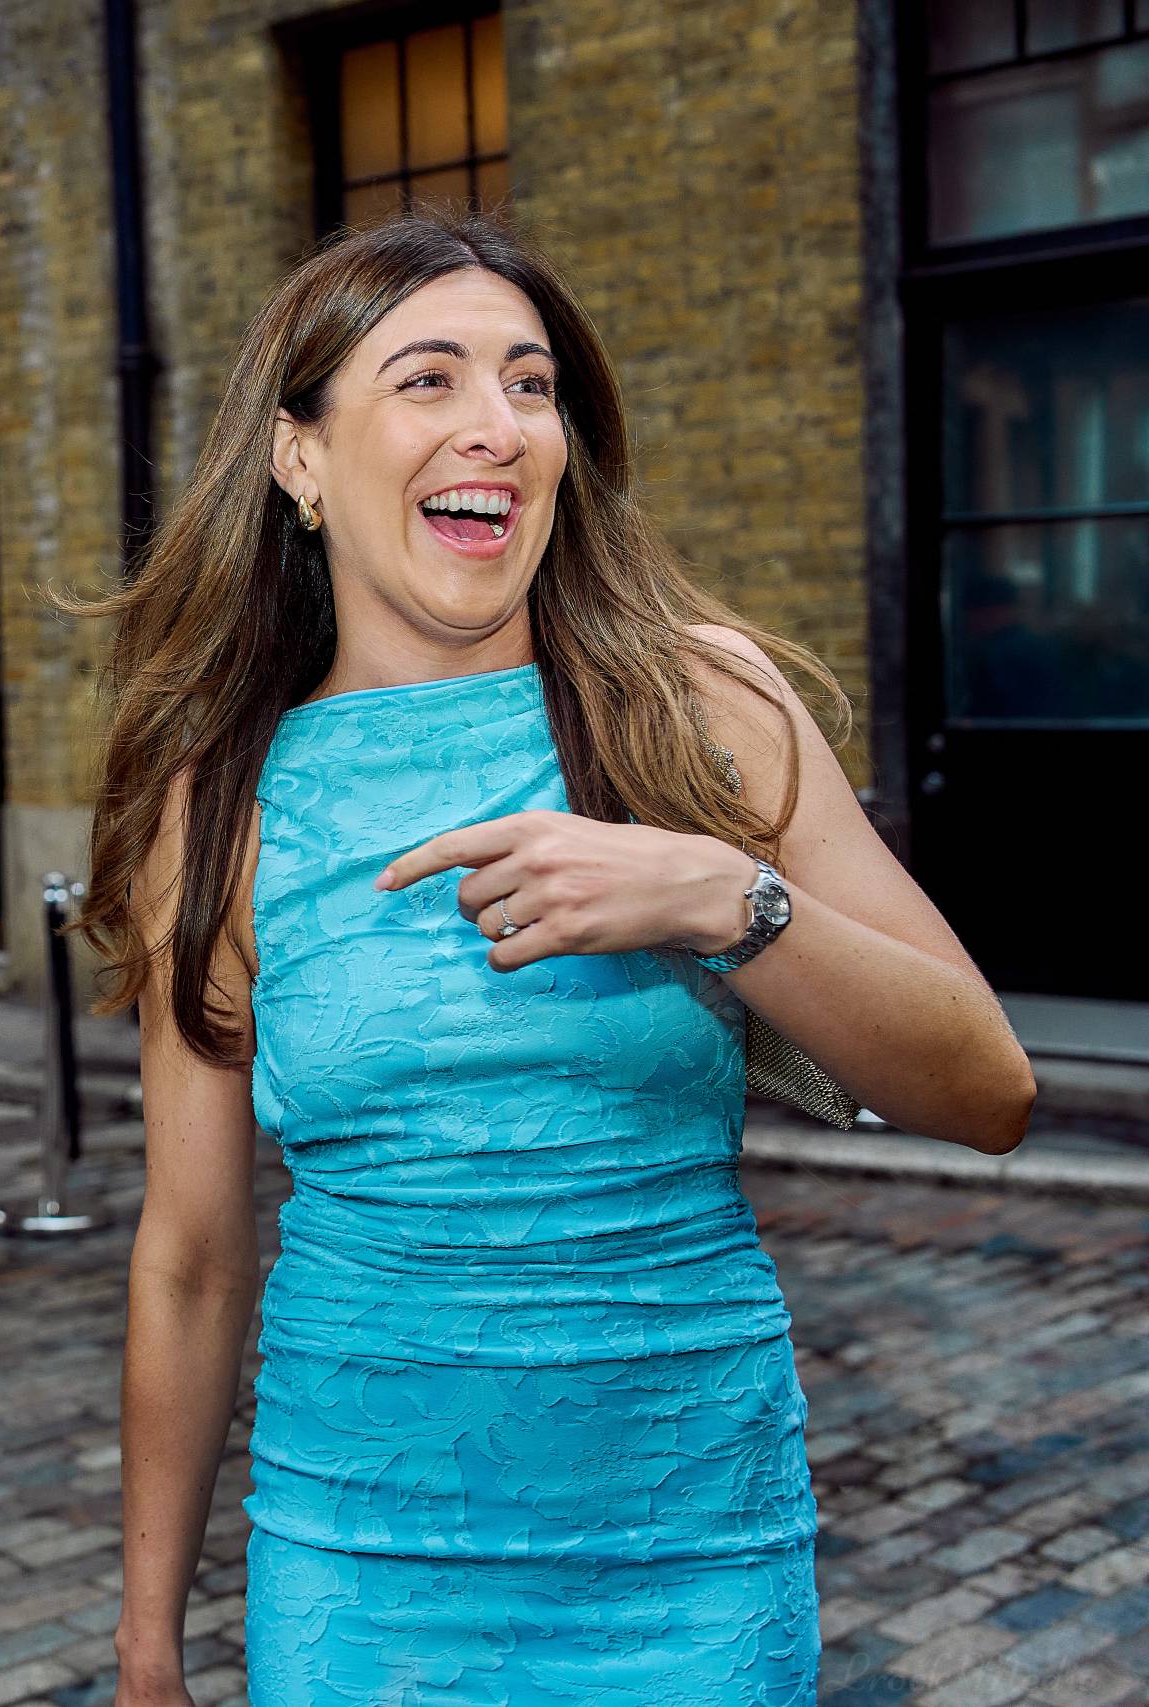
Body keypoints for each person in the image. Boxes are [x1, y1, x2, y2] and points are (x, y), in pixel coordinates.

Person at [78, 210, 1036, 1705]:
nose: (499, 425)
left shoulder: (698, 708)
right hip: (360, 1569)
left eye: (531, 385)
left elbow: (988, 1090)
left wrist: (725, 898)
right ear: (299, 460)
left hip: (693, 1548)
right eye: (429, 378)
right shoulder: (218, 806)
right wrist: (147, 1648)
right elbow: (192, 1256)